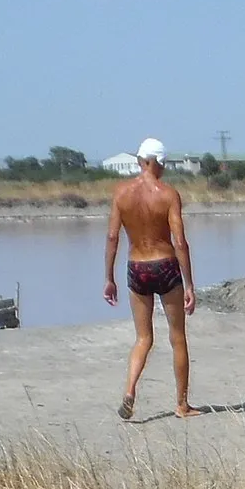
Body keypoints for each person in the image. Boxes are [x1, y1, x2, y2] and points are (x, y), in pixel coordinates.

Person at [102, 136, 195, 420]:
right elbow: (179, 242)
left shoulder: (121, 193)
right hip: (165, 266)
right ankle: (181, 405)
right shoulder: (168, 194)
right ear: (158, 163)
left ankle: (130, 390)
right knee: (177, 337)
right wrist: (189, 283)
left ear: (141, 161)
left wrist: (109, 278)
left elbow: (112, 237)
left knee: (143, 338)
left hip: (137, 268)